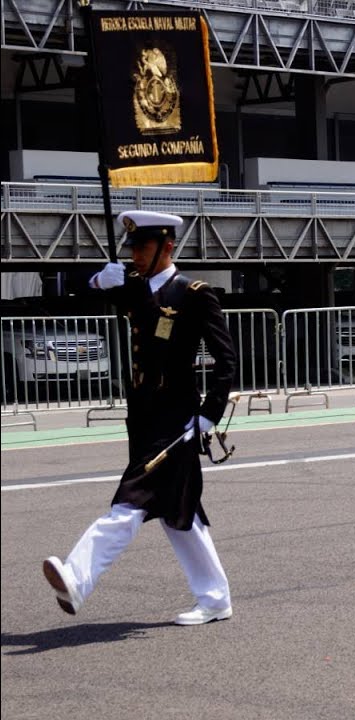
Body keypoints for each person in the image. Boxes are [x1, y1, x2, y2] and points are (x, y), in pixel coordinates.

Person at [42, 210, 237, 625]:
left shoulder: (193, 293)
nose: (134, 255)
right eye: (130, 247)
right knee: (178, 511)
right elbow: (78, 290)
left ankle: (77, 578)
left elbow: (226, 361)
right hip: (143, 416)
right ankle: (216, 598)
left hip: (177, 418)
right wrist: (98, 279)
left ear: (167, 247)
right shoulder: (132, 286)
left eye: (142, 247)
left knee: (130, 501)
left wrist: (209, 414)